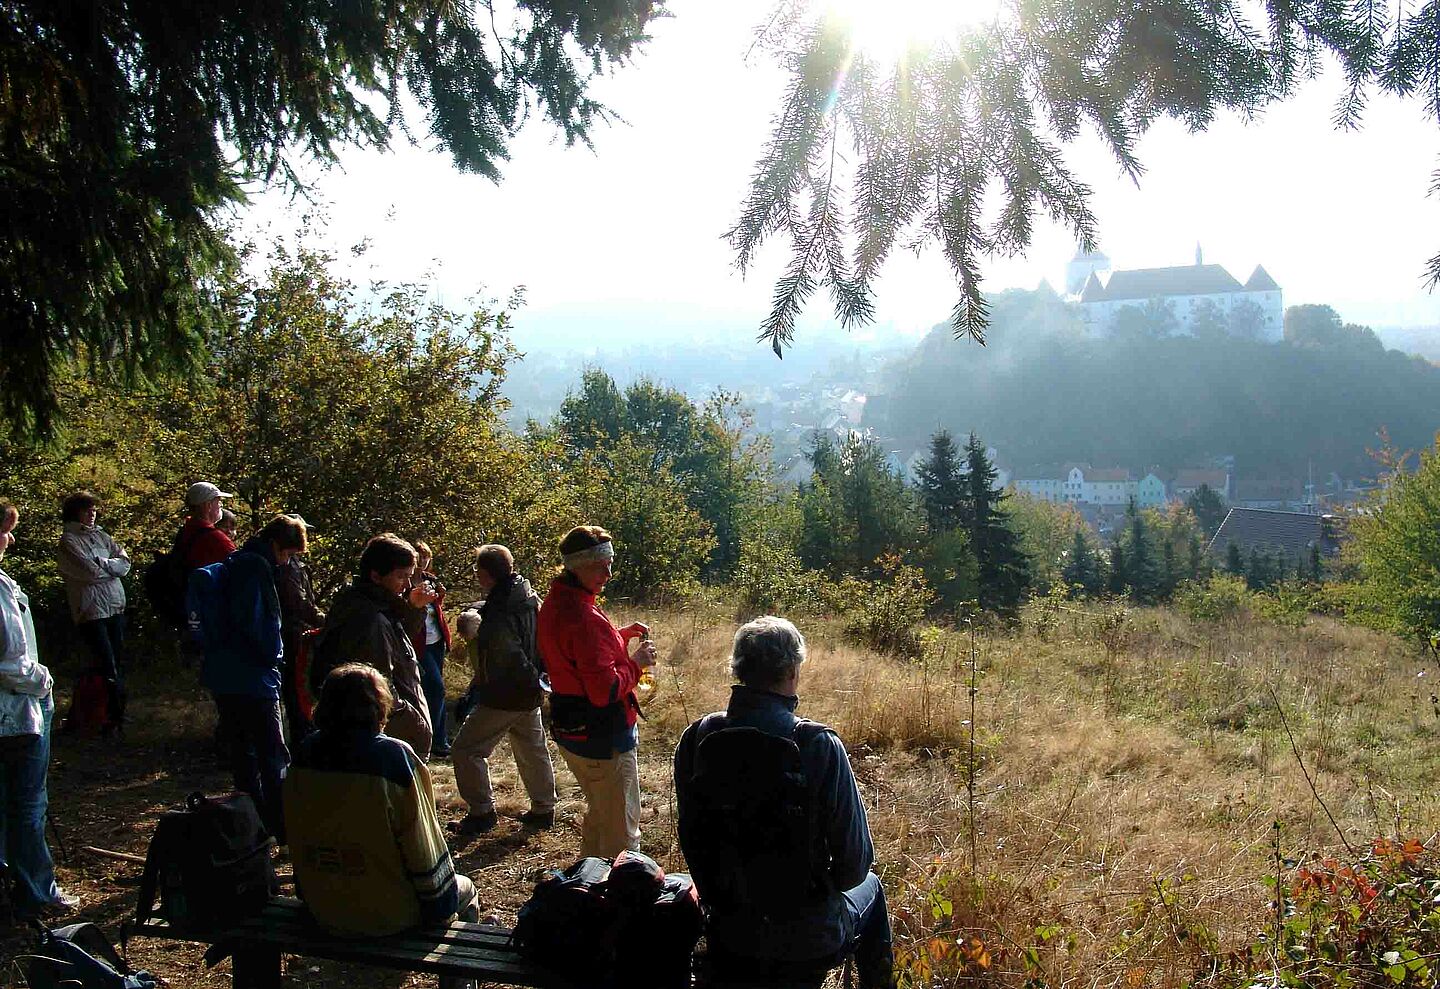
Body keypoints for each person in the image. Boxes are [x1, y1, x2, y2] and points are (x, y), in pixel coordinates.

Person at [673, 616, 894, 989]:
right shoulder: (819, 745)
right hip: (807, 940)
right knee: (872, 885)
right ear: (793, 669)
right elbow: (854, 866)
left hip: (729, 932)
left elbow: (692, 838)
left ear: (738, 668)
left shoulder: (697, 737)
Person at [283, 663, 477, 941]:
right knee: (466, 889)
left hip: (323, 907)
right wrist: (441, 909)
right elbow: (423, 848)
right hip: (389, 917)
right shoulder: (392, 759)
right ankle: (460, 971)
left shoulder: (304, 754)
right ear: (379, 706)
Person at [535, 525, 655, 858]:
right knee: (622, 836)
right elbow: (605, 690)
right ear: (575, 565)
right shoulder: (582, 615)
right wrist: (637, 663)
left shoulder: (559, 600)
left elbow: (577, 654)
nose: (608, 572)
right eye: (599, 565)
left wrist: (619, 635)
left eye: (611, 562)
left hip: (573, 730)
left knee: (602, 814)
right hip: (603, 737)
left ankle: (589, 885)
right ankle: (620, 898)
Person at [193, 514, 307, 841]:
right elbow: (257, 623)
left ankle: (252, 825)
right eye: (287, 554)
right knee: (273, 753)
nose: (288, 561)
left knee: (243, 753)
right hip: (254, 677)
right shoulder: (255, 569)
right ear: (275, 544)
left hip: (224, 674)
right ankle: (281, 826)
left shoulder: (235, 561)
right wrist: (274, 658)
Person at [0, 502, 80, 917]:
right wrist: (43, 681)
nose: (10, 539)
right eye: (5, 531)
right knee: (27, 804)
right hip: (15, 714)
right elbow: (12, 663)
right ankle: (36, 891)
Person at [450, 544, 556, 835]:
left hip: (507, 693)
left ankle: (482, 811)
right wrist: (539, 680)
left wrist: (528, 680)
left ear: (485, 574)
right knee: (531, 747)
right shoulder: (526, 593)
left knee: (466, 750)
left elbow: (509, 654)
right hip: (529, 688)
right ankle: (544, 808)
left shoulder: (499, 612)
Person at [311, 533, 432, 760]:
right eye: (401, 577)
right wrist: (415, 724)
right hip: (387, 739)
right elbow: (378, 687)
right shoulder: (368, 619)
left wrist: (413, 609)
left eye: (409, 576)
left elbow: (398, 644)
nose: (407, 585)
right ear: (376, 576)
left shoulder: (376, 606)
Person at [55, 490, 131, 735]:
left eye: (94, 509)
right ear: (75, 513)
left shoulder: (102, 536)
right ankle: (103, 717)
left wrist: (104, 563)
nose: (92, 514)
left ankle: (110, 716)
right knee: (104, 664)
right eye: (87, 510)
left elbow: (125, 562)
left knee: (116, 663)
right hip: (91, 610)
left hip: (114, 606)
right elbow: (89, 572)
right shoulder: (69, 541)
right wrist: (109, 567)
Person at [275, 514, 324, 742]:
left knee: (301, 690)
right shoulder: (287, 565)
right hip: (292, 635)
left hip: (297, 632)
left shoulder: (295, 562)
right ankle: (301, 738)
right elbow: (299, 602)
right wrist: (324, 620)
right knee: (297, 690)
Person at [404, 541, 451, 757]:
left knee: (436, 690)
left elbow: (435, 610)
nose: (423, 561)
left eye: (426, 557)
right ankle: (434, 739)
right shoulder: (404, 584)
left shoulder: (430, 580)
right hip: (418, 644)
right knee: (435, 688)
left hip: (436, 641)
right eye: (419, 557)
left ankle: (438, 737)